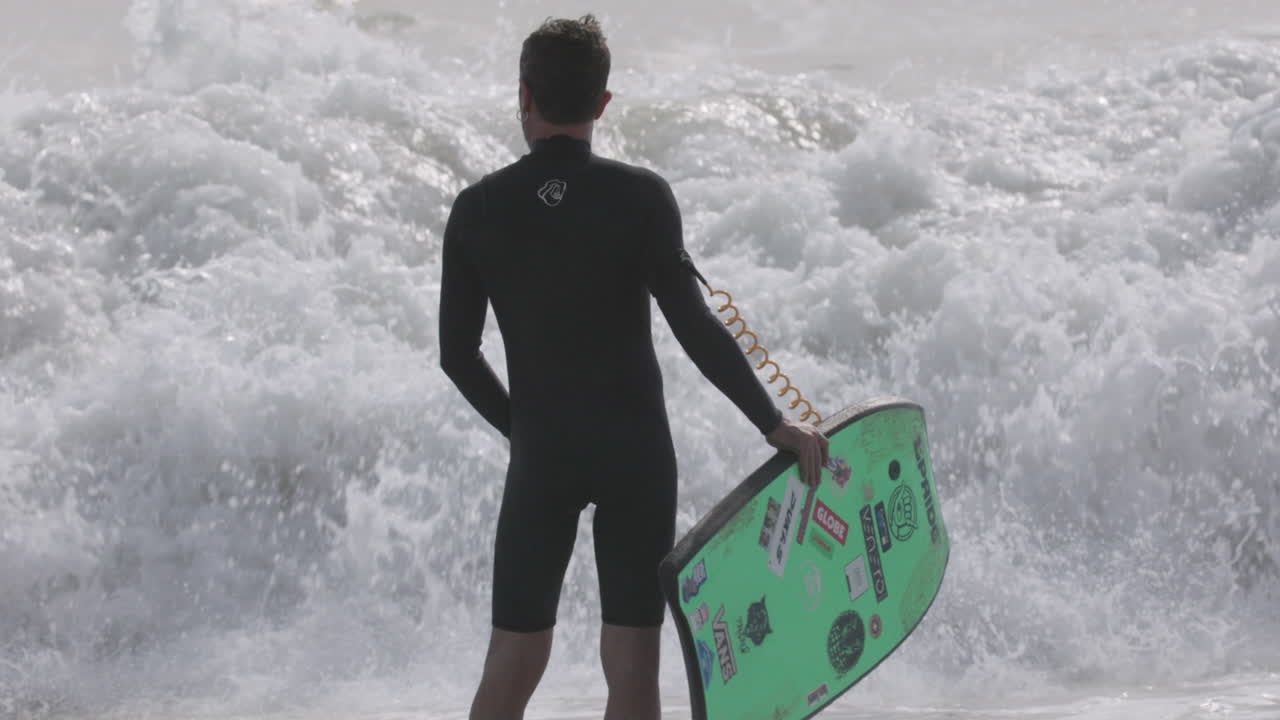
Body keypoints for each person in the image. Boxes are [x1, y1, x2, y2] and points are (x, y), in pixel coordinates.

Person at [438, 15, 829, 720]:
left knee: (514, 657)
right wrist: (774, 424)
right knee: (633, 665)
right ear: (603, 103)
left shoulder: (478, 210)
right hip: (634, 454)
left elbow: (455, 357)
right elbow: (695, 328)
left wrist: (524, 431)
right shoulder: (641, 198)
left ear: (524, 95)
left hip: (543, 455)